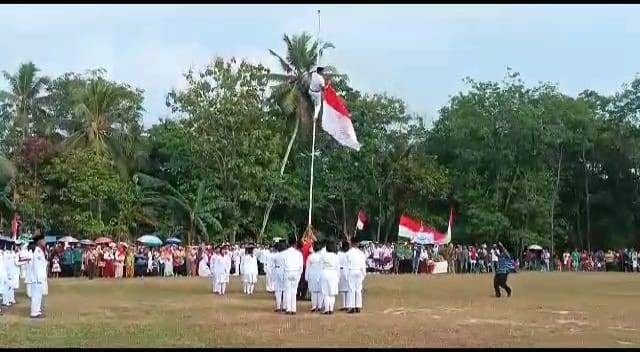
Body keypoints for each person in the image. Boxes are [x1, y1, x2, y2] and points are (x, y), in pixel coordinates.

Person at [28, 234, 48, 318]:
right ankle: (34, 312)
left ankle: (37, 310)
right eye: (43, 240)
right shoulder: (37, 251)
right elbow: (36, 266)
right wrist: (39, 278)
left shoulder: (40, 250)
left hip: (40, 277)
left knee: (39, 295)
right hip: (37, 278)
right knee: (36, 295)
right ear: (39, 241)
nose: (45, 242)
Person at [283, 237, 303, 315]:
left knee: (287, 291)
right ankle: (293, 309)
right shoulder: (299, 253)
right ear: (295, 244)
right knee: (294, 291)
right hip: (296, 272)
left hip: (287, 272)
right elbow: (301, 266)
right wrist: (299, 274)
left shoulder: (285, 253)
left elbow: (283, 264)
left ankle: (288, 309)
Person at [346, 238, 367, 314]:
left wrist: (346, 275)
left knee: (351, 289)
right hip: (359, 271)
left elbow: (346, 265)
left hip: (351, 271)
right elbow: (363, 265)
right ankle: (358, 306)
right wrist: (363, 274)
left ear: (351, 243)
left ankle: (352, 307)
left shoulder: (348, 253)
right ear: (358, 244)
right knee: (358, 290)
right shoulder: (361, 253)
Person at [320, 240, 340, 315]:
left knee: (326, 293)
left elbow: (321, 266)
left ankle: (327, 309)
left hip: (325, 273)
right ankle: (331, 309)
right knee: (332, 293)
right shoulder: (336, 256)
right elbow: (338, 268)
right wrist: (338, 277)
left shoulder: (323, 256)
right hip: (334, 273)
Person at [305, 242, 322, 312]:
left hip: (312, 274)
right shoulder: (322, 257)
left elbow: (307, 267)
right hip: (320, 274)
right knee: (320, 291)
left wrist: (306, 276)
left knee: (313, 291)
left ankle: (314, 306)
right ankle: (320, 305)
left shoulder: (310, 257)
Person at [272, 240, 286, 312]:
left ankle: (278, 306)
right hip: (284, 271)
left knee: (278, 290)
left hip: (277, 270)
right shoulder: (286, 255)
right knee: (285, 289)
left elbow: (273, 265)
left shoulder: (276, 255)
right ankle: (284, 306)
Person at [338, 241, 350, 311]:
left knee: (343, 290)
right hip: (346, 271)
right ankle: (346, 305)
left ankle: (344, 305)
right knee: (346, 289)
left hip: (341, 271)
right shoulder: (349, 254)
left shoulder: (339, 254)